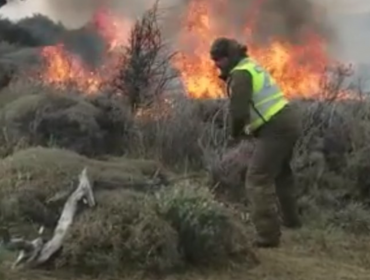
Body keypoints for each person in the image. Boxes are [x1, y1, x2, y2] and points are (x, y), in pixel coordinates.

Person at [210, 37, 302, 248]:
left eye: (219, 60)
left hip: (276, 127)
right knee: (282, 173)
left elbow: (239, 111)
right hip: (287, 121)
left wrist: (235, 134)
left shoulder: (241, 74)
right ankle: (292, 222)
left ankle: (267, 236)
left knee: (257, 178)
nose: (216, 64)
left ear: (229, 56)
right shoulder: (249, 66)